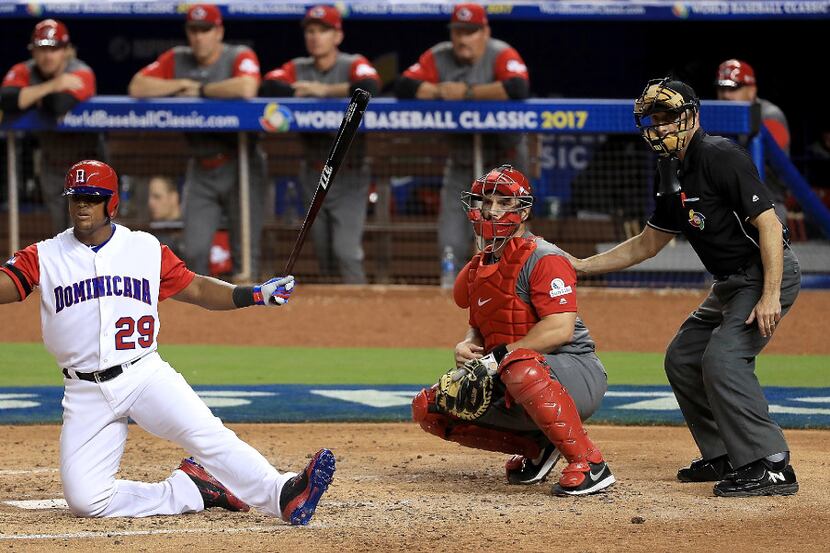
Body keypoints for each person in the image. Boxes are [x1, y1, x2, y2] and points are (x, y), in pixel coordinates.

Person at [0, 159, 335, 523]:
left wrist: (254, 293)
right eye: (77, 197)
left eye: (93, 197)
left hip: (143, 375)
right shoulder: (45, 255)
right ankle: (191, 489)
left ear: (111, 202)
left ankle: (284, 491)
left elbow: (198, 288)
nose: (83, 205)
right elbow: (8, 283)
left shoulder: (143, 249)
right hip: (84, 392)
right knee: (85, 501)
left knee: (206, 434)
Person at [570, 78, 801, 497]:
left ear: (691, 116)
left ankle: (770, 464)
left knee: (724, 359)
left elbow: (769, 225)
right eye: (652, 120)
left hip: (765, 272)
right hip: (729, 283)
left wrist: (769, 295)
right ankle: (725, 453)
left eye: (667, 118)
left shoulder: (719, 155)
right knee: (683, 357)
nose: (658, 128)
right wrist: (582, 266)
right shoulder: (669, 171)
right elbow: (647, 243)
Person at [411, 165, 614, 496]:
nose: (491, 210)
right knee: (431, 405)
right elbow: (481, 325)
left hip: (575, 371)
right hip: (514, 373)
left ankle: (591, 464)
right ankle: (539, 445)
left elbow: (560, 329)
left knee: (518, 364)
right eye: (486, 201)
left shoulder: (544, 257)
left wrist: (502, 356)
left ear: (524, 210)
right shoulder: (479, 267)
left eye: (503, 202)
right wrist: (466, 346)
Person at [128, 3, 265, 281]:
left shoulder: (238, 55)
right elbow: (137, 85)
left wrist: (201, 90)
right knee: (194, 250)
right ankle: (200, 320)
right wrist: (180, 85)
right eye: (194, 30)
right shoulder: (178, 59)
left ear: (219, 31)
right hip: (201, 167)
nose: (199, 37)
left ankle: (250, 319)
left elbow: (247, 87)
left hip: (241, 163)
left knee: (245, 254)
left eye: (206, 30)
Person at [395, 2, 530, 277]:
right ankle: (450, 293)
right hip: (462, 163)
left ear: (485, 32)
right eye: (458, 31)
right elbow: (404, 85)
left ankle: (518, 291)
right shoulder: (439, 56)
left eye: (470, 32)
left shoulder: (501, 53)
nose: (462, 38)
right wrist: (439, 91)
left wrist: (467, 92)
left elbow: (517, 87)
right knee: (451, 238)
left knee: (510, 238)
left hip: (505, 165)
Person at [260, 5, 380, 283]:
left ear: (337, 35)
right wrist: (299, 91)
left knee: (346, 252)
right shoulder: (298, 68)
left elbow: (370, 84)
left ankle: (361, 314)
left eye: (323, 31)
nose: (316, 37)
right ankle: (334, 319)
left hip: (349, 173)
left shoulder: (352, 63)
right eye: (311, 31)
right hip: (313, 173)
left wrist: (323, 91)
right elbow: (269, 85)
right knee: (324, 253)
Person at [0, 19, 99, 234]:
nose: (47, 55)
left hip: (89, 167)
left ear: (66, 50)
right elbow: (6, 99)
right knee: (62, 234)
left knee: (89, 233)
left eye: (54, 48)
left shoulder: (81, 72)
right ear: (33, 51)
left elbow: (57, 104)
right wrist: (53, 85)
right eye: (42, 48)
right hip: (52, 165)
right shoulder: (24, 70)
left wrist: (29, 97)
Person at [716, 59, 790, 223]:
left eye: (733, 88)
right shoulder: (716, 116)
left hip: (767, 203)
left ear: (752, 90)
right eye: (722, 88)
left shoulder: (771, 116)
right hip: (724, 205)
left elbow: (774, 168)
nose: (726, 95)